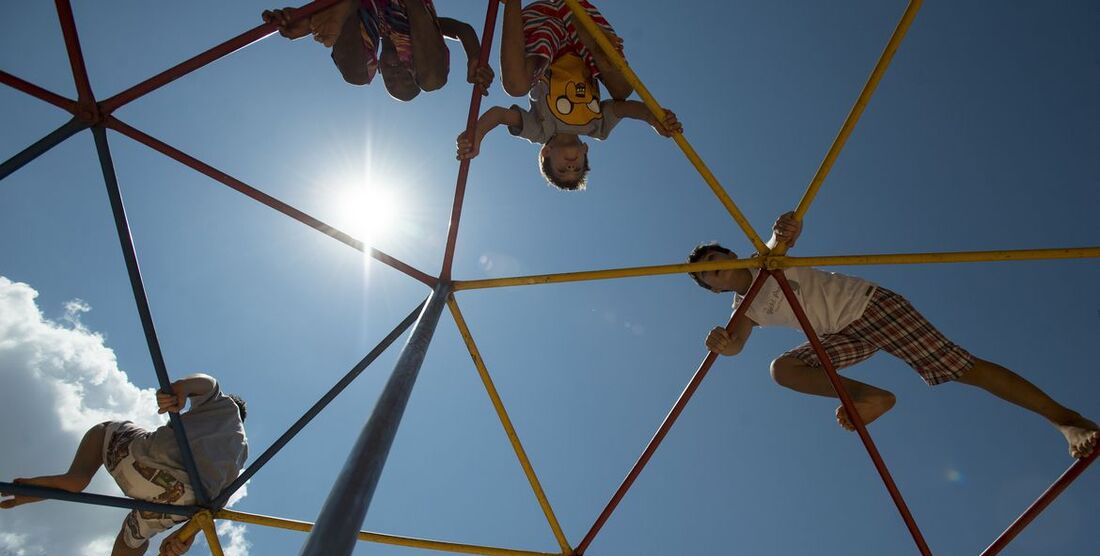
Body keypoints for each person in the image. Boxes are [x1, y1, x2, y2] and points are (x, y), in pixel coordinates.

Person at [688, 213, 1099, 459]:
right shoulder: (744, 309)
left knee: (962, 369)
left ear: (731, 255)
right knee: (784, 368)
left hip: (871, 308)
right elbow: (737, 342)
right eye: (707, 278)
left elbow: (783, 238)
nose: (713, 270)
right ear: (716, 290)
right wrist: (724, 345)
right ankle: (870, 397)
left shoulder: (765, 260)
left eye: (713, 260)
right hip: (845, 333)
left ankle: (1067, 421)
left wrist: (786, 228)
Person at [1, 374, 248, 556]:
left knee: (106, 430)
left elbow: (207, 383)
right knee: (125, 553)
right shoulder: (239, 457)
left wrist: (179, 390)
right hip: (177, 501)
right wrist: (181, 541)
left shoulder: (223, 405)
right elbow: (210, 511)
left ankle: (75, 478)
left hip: (142, 461)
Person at [455, 0, 682, 191]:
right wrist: (654, 118)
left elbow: (498, 115)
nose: (571, 165)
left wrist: (478, 134)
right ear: (585, 152)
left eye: (562, 169)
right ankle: (596, 42)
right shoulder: (597, 128)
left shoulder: (539, 130)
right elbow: (626, 109)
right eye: (578, 168)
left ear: (546, 153)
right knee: (622, 91)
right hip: (581, 39)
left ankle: (512, 3)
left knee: (515, 87)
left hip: (544, 36)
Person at [263, 0, 494, 100]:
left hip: (362, 8)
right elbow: (461, 28)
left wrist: (308, 19)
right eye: (409, 78)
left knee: (356, 76)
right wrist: (475, 57)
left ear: (380, 70)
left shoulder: (372, 30)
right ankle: (322, 17)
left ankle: (331, 13)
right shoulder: (416, 36)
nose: (398, 75)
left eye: (391, 81)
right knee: (433, 81)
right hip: (410, 11)